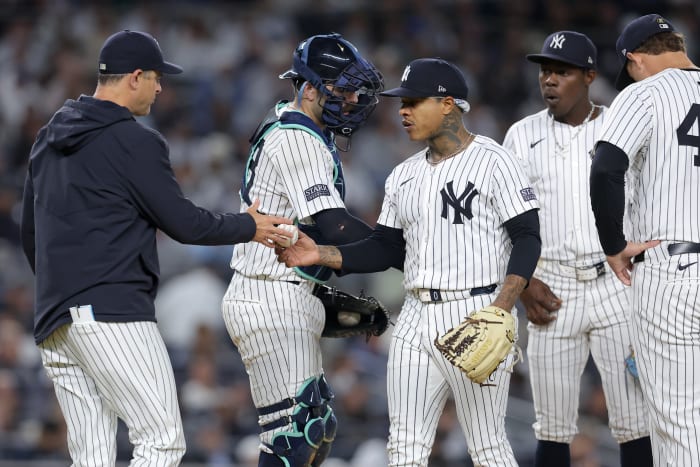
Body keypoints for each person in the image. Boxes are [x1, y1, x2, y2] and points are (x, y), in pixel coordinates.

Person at [19, 30, 292, 466]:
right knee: (162, 440)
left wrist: (62, 292)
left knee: (92, 457)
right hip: (111, 313)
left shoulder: (48, 139)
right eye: (156, 77)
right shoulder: (134, 140)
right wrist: (249, 225)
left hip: (55, 321)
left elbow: (30, 233)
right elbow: (183, 223)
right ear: (135, 77)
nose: (161, 87)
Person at [278, 57, 542, 466]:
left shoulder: (496, 160)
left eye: (415, 101)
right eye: (402, 101)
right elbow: (384, 248)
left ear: (449, 104)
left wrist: (502, 307)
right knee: (404, 446)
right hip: (415, 314)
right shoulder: (402, 175)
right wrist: (324, 254)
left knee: (487, 446)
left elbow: (527, 237)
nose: (403, 110)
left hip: (478, 311)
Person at [220, 33, 385, 467]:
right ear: (308, 88)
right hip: (268, 294)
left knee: (313, 431)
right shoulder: (297, 137)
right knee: (294, 439)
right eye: (341, 89)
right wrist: (399, 248)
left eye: (354, 89)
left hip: (283, 291)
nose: (351, 99)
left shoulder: (301, 127)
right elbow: (336, 225)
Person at [502, 30, 652, 466]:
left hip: (616, 283)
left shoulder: (619, 124)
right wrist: (524, 281)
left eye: (561, 71)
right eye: (545, 71)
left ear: (588, 76)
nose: (549, 79)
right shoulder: (521, 135)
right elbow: (506, 221)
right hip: (552, 286)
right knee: (551, 425)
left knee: (635, 420)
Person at [589, 13, 700, 466]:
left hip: (672, 269)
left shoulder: (644, 93)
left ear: (635, 57)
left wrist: (613, 245)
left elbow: (606, 168)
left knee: (679, 421)